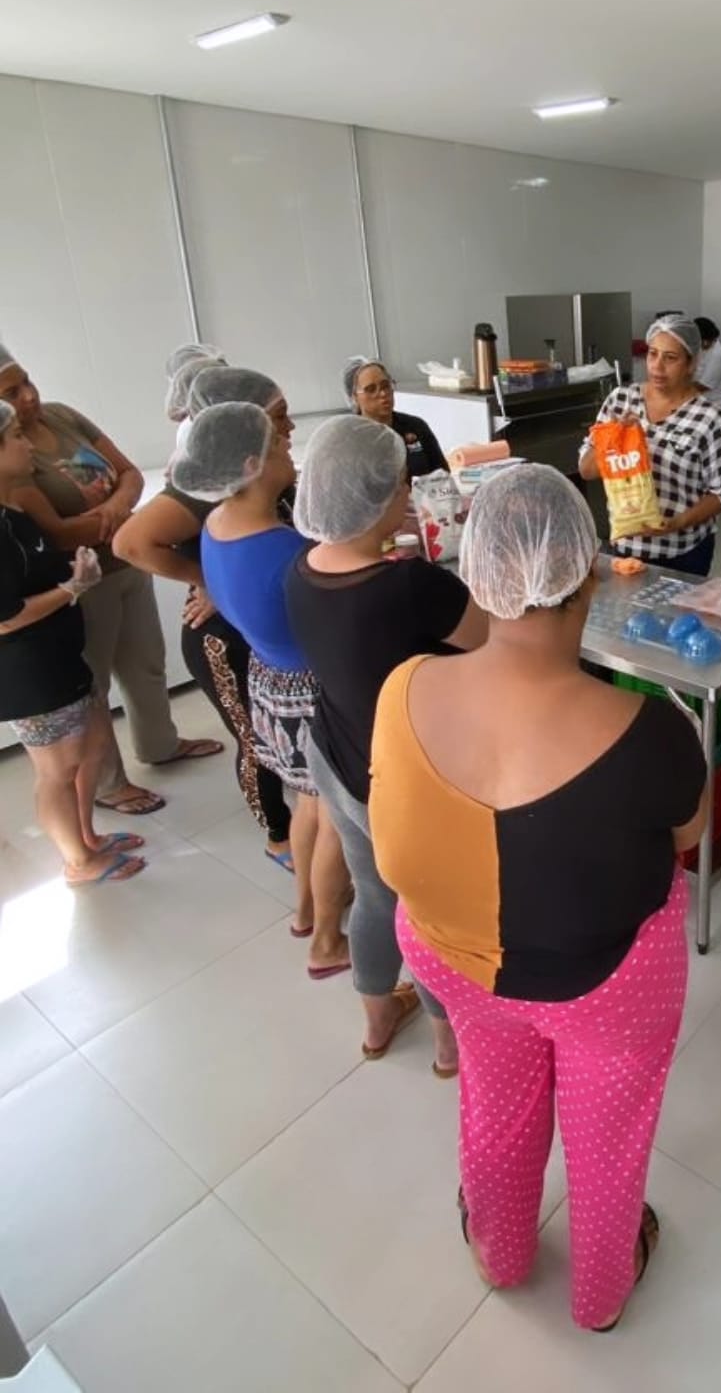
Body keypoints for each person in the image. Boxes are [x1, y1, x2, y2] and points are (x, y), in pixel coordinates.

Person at [369, 465, 708, 1330]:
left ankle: (501, 1251)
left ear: (473, 575)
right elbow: (685, 840)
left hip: (450, 958)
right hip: (602, 987)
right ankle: (601, 1294)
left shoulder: (404, 684)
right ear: (589, 575)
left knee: (496, 1095)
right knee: (605, 1137)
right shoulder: (650, 729)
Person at [286, 414, 487, 1062]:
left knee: (374, 892)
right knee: (430, 915)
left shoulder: (303, 568)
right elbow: (483, 637)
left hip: (334, 755)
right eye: (401, 484)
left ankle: (376, 1026)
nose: (409, 493)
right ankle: (447, 1043)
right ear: (375, 498)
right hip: (398, 780)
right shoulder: (407, 586)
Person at [0, 345, 222, 815]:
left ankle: (160, 744)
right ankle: (107, 784)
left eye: (27, 381)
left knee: (146, 662)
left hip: (126, 564)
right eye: (11, 391)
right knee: (93, 688)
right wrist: (122, 514)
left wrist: (116, 509)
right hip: (82, 581)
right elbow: (58, 534)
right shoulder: (11, 453)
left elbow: (128, 474)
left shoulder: (62, 416)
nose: (28, 396)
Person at [172, 402, 350, 976]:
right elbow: (332, 618)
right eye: (277, 444)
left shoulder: (216, 525)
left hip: (269, 683)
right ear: (252, 463)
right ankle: (326, 941)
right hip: (310, 692)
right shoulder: (283, 549)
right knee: (333, 822)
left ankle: (303, 910)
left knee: (305, 805)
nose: (289, 449)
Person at [113, 361, 296, 869]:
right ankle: (278, 838)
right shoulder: (206, 484)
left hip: (253, 624)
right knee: (253, 738)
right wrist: (213, 579)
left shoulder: (253, 472)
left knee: (272, 733)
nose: (290, 428)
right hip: (220, 635)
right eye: (280, 417)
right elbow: (130, 542)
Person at [0, 400, 146, 887]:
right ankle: (78, 862)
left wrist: (70, 575)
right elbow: (4, 620)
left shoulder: (12, 508)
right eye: (14, 438)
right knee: (56, 770)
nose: (25, 443)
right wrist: (72, 589)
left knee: (94, 743)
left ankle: (89, 836)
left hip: (61, 654)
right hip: (28, 673)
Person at [578, 314, 721, 576]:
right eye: (653, 354)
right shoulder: (621, 401)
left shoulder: (710, 420)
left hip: (682, 553)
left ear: (691, 363)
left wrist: (677, 523)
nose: (657, 367)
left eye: (670, 358)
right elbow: (586, 470)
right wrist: (614, 437)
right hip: (625, 547)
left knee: (679, 618)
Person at [341, 356, 448, 479]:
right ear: (354, 397)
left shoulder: (416, 426)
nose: (382, 393)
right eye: (371, 389)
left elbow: (443, 475)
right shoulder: (350, 441)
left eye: (386, 385)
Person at [694, 316, 721, 418]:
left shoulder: (718, 354)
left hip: (717, 407)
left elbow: (704, 385)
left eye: (708, 340)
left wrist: (677, 389)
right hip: (702, 406)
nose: (705, 343)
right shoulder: (698, 349)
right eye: (702, 340)